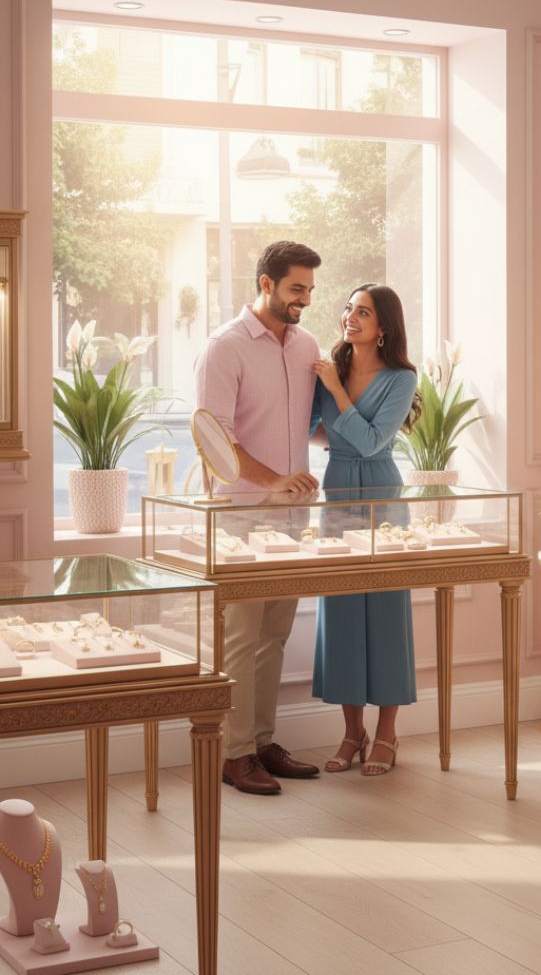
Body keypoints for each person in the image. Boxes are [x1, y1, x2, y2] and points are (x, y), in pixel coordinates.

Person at [194, 239, 323, 796]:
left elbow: (309, 425)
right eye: (296, 288)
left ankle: (263, 744)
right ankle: (234, 753)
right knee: (241, 638)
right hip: (241, 517)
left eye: (310, 290)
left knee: (274, 635)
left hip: (293, 517)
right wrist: (272, 480)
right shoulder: (224, 348)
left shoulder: (307, 344)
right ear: (266, 283)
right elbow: (214, 440)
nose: (305, 300)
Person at [311, 284, 419, 776]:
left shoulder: (401, 379)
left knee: (387, 613)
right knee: (341, 614)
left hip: (381, 495)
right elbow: (318, 432)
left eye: (364, 312)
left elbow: (374, 443)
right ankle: (352, 733)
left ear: (384, 327)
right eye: (348, 309)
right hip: (336, 492)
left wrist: (336, 390)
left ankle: (387, 734)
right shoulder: (330, 368)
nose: (350, 317)